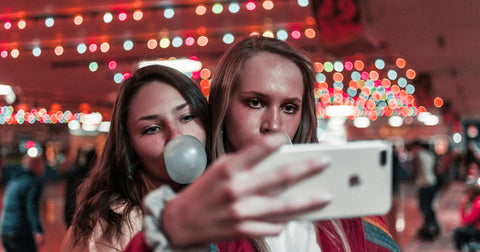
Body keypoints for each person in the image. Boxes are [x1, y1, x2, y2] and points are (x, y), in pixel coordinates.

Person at [124, 36, 400, 251]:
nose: (274, 124)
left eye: (290, 107)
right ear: (223, 107)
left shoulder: (341, 205)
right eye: (255, 103)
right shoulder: (201, 208)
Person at [60, 64, 211, 251]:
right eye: (152, 129)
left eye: (187, 117)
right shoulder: (115, 229)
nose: (175, 136)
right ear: (130, 149)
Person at [1, 153, 45, 252]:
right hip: (20, 233)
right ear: (36, 166)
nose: (43, 168)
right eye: (42, 165)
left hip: (5, 231)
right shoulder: (33, 182)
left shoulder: (14, 179)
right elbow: (32, 208)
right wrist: (38, 231)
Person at [408, 139, 440, 240]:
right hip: (432, 182)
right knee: (429, 207)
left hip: (424, 184)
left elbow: (416, 172)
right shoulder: (428, 154)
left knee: (424, 207)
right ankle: (433, 226)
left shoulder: (418, 156)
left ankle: (430, 227)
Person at [63, 147, 97, 227]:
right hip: (84, 214)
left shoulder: (76, 171)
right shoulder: (93, 175)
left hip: (73, 211)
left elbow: (69, 194)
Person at [453, 172, 480, 251]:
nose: (467, 195)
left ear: (472, 192)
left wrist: (462, 206)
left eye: (467, 193)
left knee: (458, 232)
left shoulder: (478, 203)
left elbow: (466, 221)